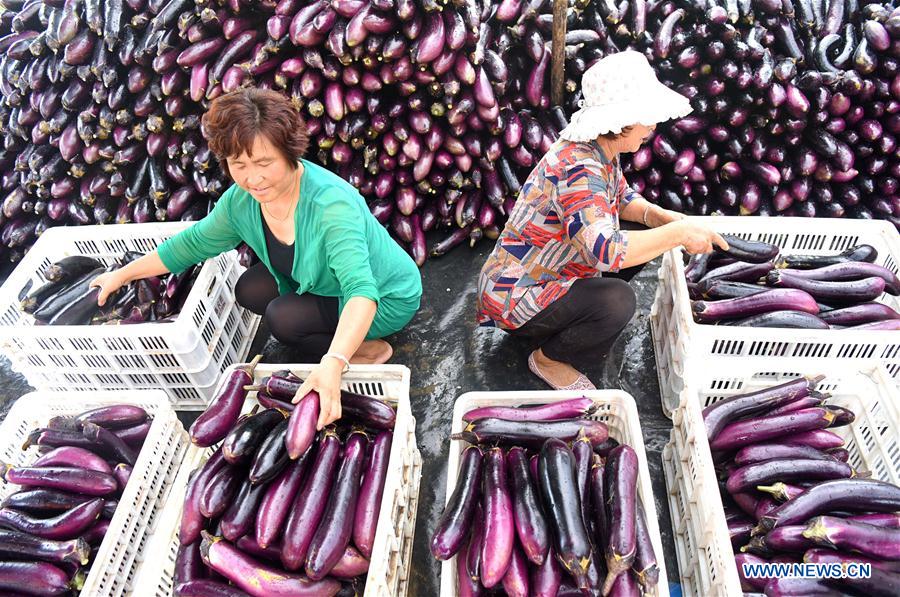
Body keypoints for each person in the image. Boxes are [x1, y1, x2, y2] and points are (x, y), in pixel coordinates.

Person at [91, 88, 422, 429]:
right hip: (325, 282)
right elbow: (193, 243)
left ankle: (367, 350)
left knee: (282, 319)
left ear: (289, 152)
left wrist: (334, 362)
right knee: (249, 289)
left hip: (385, 297)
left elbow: (361, 291)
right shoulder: (241, 202)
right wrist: (123, 274)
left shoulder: (330, 207)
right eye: (239, 164)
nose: (253, 178)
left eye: (264, 163)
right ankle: (328, 328)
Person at [476, 51, 728, 391]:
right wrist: (678, 232)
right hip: (518, 293)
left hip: (558, 271)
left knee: (647, 231)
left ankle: (568, 316)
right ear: (621, 122)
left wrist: (660, 217)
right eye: (646, 118)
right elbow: (605, 251)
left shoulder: (601, 150)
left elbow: (621, 198)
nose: (652, 127)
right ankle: (548, 359)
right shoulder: (579, 168)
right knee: (618, 301)